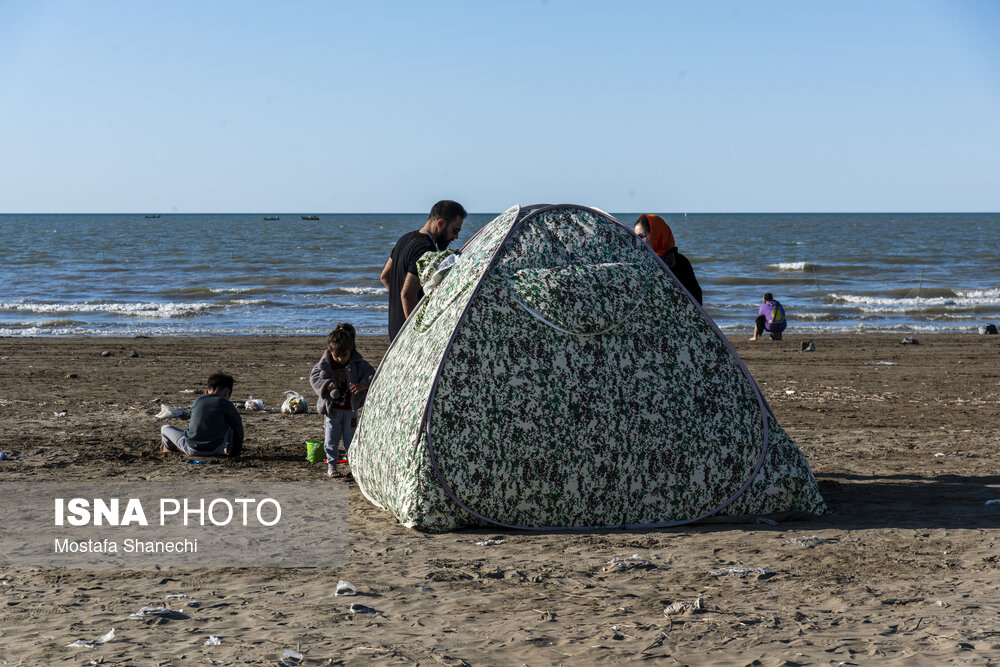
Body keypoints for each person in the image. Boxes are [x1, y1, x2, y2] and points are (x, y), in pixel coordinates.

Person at [381, 200, 467, 341]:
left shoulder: (404, 239)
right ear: (440, 223)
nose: (456, 236)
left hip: (394, 331)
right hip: (407, 336)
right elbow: (407, 294)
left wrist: (396, 298)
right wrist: (417, 335)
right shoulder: (426, 249)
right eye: (455, 230)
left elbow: (384, 277)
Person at [309, 323, 376, 478]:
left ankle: (353, 468)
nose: (339, 359)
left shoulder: (359, 363)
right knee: (331, 438)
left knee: (351, 440)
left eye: (343, 355)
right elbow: (314, 378)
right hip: (332, 410)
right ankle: (332, 466)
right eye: (336, 356)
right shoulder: (325, 364)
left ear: (351, 350)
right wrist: (326, 385)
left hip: (351, 410)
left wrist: (363, 386)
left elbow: (372, 374)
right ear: (330, 352)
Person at [161, 372, 243, 457]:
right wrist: (235, 454)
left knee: (164, 428)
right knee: (231, 422)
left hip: (192, 449)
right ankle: (228, 449)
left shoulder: (197, 401)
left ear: (207, 391)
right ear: (227, 393)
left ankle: (169, 449)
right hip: (216, 450)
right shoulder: (227, 404)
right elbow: (238, 430)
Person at [634, 214, 703, 305]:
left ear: (656, 234)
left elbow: (696, 300)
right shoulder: (644, 261)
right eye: (636, 237)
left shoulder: (678, 262)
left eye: (642, 236)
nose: (639, 241)